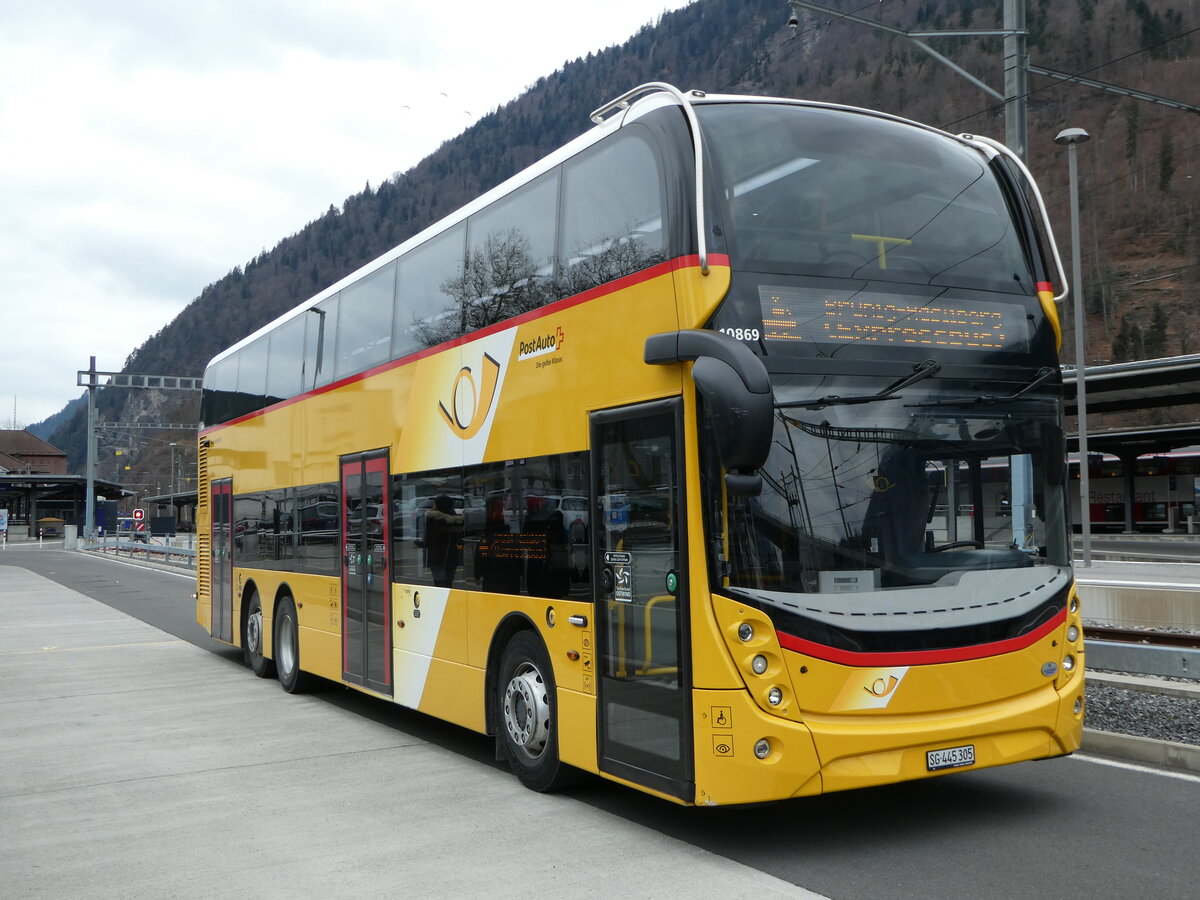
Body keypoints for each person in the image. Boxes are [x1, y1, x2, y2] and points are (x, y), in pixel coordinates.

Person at [423, 495, 463, 587]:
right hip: (451, 556)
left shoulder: (432, 518)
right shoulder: (454, 519)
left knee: (440, 583)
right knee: (448, 582)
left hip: (436, 557)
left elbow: (428, 540)